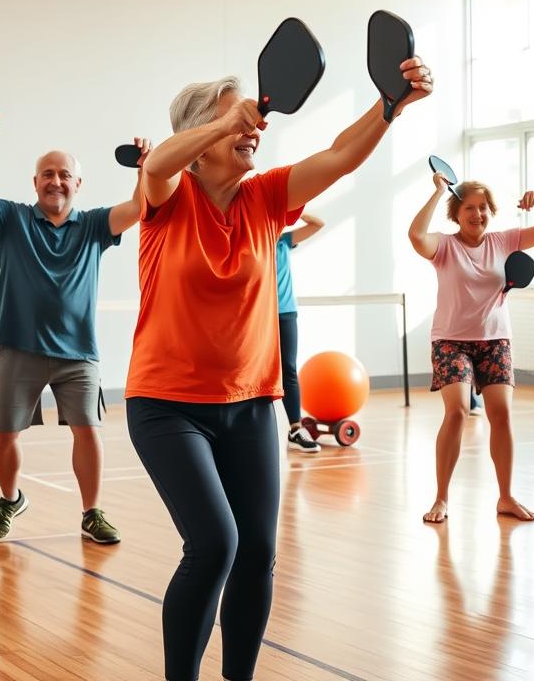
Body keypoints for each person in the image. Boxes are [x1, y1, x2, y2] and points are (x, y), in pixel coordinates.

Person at [127, 56, 431, 681]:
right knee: (214, 544)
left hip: (249, 405)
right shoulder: (168, 196)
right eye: (232, 121)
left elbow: (341, 155)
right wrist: (227, 122)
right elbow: (156, 163)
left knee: (259, 553)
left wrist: (391, 105)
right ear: (199, 138)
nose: (252, 131)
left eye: (250, 121)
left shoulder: (266, 198)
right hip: (166, 406)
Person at [0, 137, 150, 543]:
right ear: (35, 181)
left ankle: (91, 513)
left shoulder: (95, 224)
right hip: (18, 347)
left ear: (78, 183)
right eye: (47, 174)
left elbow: (140, 208)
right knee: (3, 436)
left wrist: (145, 166)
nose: (55, 181)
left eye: (63, 175)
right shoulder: (11, 219)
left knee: (88, 431)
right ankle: (10, 499)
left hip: (78, 353)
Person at [409, 175, 534, 524]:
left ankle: (506, 497)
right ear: (456, 213)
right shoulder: (445, 247)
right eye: (469, 208)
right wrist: (436, 191)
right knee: (458, 412)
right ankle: (441, 498)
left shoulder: (505, 240)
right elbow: (416, 236)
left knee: (502, 415)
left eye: (483, 207)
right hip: (450, 341)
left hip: (495, 341)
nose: (477, 214)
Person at [276, 212, 325, 453]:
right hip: (254, 315)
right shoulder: (248, 240)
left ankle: (295, 429)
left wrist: (292, 209)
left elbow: (317, 224)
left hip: (285, 313)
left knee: (289, 369)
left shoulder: (283, 240)